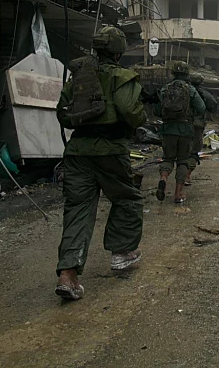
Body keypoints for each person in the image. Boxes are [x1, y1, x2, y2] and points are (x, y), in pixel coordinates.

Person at [54, 26, 147, 300]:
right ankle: (122, 252)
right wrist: (140, 120)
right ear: (118, 52)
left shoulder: (79, 77)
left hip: (77, 152)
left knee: (77, 209)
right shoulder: (122, 77)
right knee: (127, 199)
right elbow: (131, 112)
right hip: (110, 151)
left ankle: (68, 276)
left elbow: (63, 114)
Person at [156, 61, 205, 203]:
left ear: (173, 73)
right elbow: (201, 108)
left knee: (168, 159)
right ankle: (178, 194)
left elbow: (157, 110)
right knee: (182, 161)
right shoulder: (190, 89)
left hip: (168, 129)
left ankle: (163, 178)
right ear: (186, 73)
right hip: (185, 130)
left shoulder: (165, 89)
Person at [186, 73, 218, 186]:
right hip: (196, 126)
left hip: (180, 125)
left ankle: (166, 176)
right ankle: (187, 175)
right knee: (194, 151)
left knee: (181, 152)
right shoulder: (203, 94)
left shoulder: (183, 91)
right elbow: (213, 106)